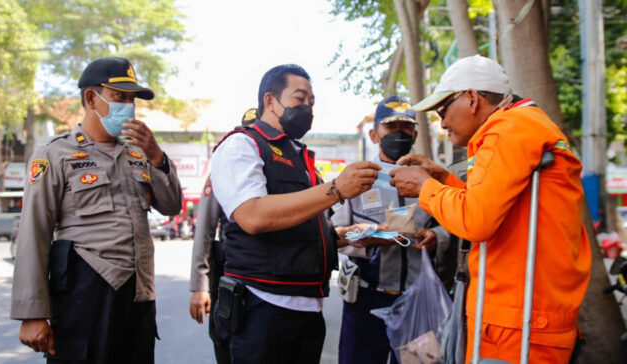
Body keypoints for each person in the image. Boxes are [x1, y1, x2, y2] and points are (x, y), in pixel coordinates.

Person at [389, 55, 591, 363]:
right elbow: (493, 205)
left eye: (443, 109)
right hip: (522, 318)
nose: (442, 121)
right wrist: (442, 178)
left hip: (518, 323)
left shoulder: (506, 129)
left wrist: (425, 187)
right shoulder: (524, 125)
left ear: (472, 98)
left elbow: (477, 220)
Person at [10, 57, 183, 363]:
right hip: (86, 293)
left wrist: (157, 157)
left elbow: (171, 205)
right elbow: (34, 230)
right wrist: (32, 314)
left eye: (132, 99)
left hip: (138, 294)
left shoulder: (138, 153)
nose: (128, 107)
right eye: (119, 97)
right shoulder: (55, 152)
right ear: (92, 98)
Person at [210, 64, 380, 364]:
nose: (307, 108)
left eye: (312, 102)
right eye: (299, 98)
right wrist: (337, 189)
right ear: (270, 101)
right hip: (263, 305)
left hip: (307, 308)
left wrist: (354, 235)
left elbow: (302, 228)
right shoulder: (242, 144)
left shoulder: (298, 155)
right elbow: (253, 216)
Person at [331, 96, 451, 364]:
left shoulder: (430, 180)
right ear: (374, 135)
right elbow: (334, 235)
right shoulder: (356, 178)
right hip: (365, 300)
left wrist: (437, 238)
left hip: (416, 303)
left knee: (418, 362)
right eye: (391, 126)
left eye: (406, 127)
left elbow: (451, 225)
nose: (399, 133)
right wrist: (364, 235)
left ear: (416, 134)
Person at [188, 107, 257, 364]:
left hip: (270, 278)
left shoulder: (277, 168)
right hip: (229, 276)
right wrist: (200, 286)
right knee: (226, 341)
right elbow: (204, 230)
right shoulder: (223, 169)